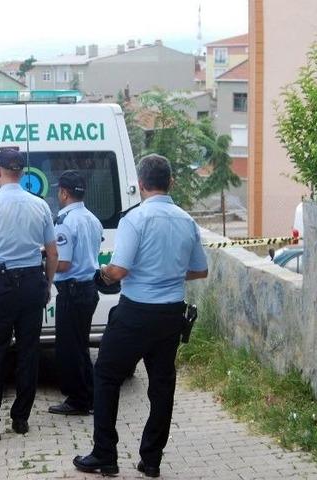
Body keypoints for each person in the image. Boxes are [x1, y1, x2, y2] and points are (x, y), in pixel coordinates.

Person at [73, 155, 208, 477]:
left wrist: (103, 275)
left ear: (142, 184)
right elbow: (200, 270)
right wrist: (168, 275)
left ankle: (105, 454)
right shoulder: (187, 220)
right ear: (171, 182)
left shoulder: (136, 219)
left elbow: (120, 269)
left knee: (106, 375)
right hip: (171, 314)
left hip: (136, 313)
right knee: (162, 385)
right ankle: (151, 460)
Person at [0, 148, 58, 443]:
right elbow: (52, 253)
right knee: (29, 352)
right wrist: (46, 284)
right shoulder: (40, 205)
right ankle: (21, 419)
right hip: (32, 282)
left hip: (0, 285)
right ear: (22, 173)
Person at [48, 171, 103, 416]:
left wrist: (44, 261)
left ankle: (78, 400)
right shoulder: (91, 218)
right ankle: (89, 396)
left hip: (72, 290)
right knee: (80, 346)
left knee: (70, 348)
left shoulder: (65, 222)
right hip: (88, 288)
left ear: (64, 192)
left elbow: (63, 263)